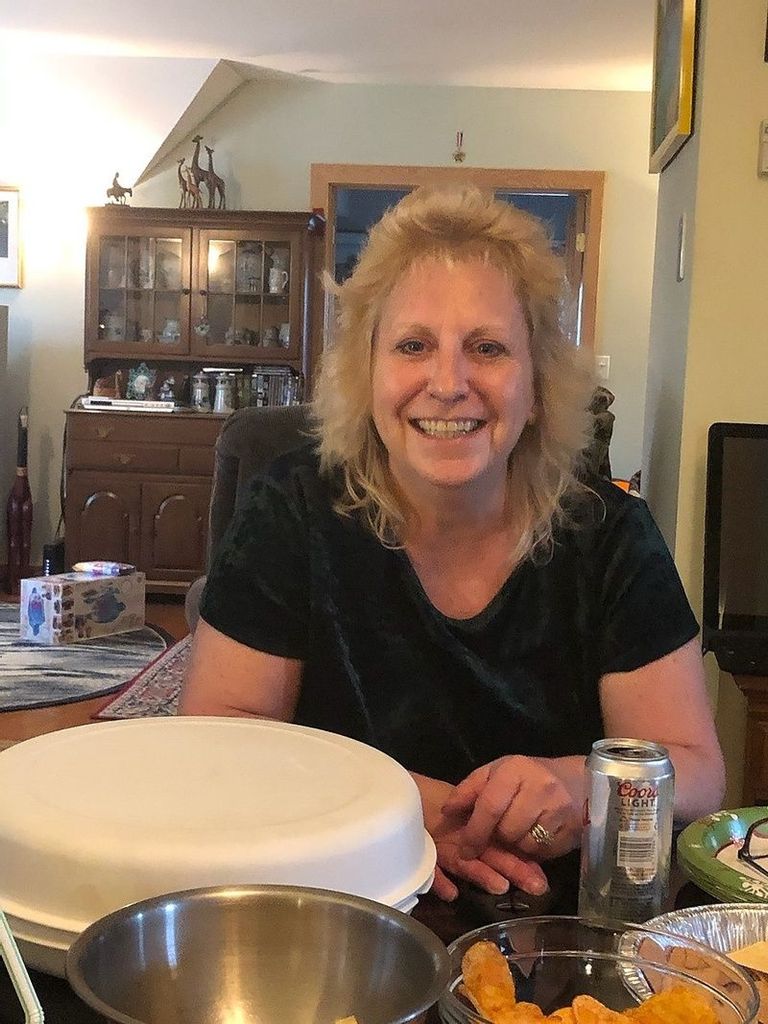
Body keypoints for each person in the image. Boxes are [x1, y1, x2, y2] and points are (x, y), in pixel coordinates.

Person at [179, 186, 725, 903]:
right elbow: (218, 735)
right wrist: (406, 812)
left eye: (487, 348)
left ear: (538, 383)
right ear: (366, 371)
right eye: (413, 346)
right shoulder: (290, 509)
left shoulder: (614, 536)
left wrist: (581, 786)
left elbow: (697, 771)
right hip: (337, 901)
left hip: (550, 918)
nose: (447, 383)